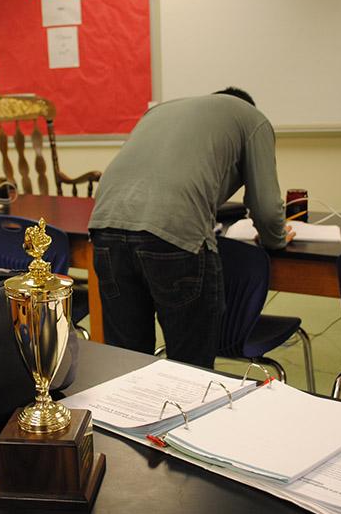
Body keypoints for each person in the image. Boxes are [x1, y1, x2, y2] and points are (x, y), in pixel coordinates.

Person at [88, 88, 293, 368]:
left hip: (105, 227)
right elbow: (268, 209)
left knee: (128, 364)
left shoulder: (160, 111)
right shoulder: (253, 119)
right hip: (174, 235)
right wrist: (277, 239)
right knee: (190, 370)